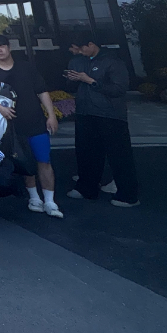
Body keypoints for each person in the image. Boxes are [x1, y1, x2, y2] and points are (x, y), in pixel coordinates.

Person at [0, 34, 62, 217]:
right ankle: (34, 197)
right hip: (12, 127)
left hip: (36, 121)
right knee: (25, 162)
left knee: (44, 160)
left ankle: (50, 201)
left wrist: (51, 115)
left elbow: (42, 91)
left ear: (9, 47)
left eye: (2, 46)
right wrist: (1, 108)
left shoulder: (26, 67)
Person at [65, 34, 139, 207]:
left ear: (91, 44)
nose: (79, 52)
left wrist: (91, 81)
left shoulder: (113, 61)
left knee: (119, 155)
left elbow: (119, 89)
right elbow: (71, 87)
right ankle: (86, 188)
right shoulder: (78, 61)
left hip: (110, 114)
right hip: (85, 113)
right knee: (86, 153)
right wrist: (72, 80)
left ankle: (128, 195)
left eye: (81, 48)